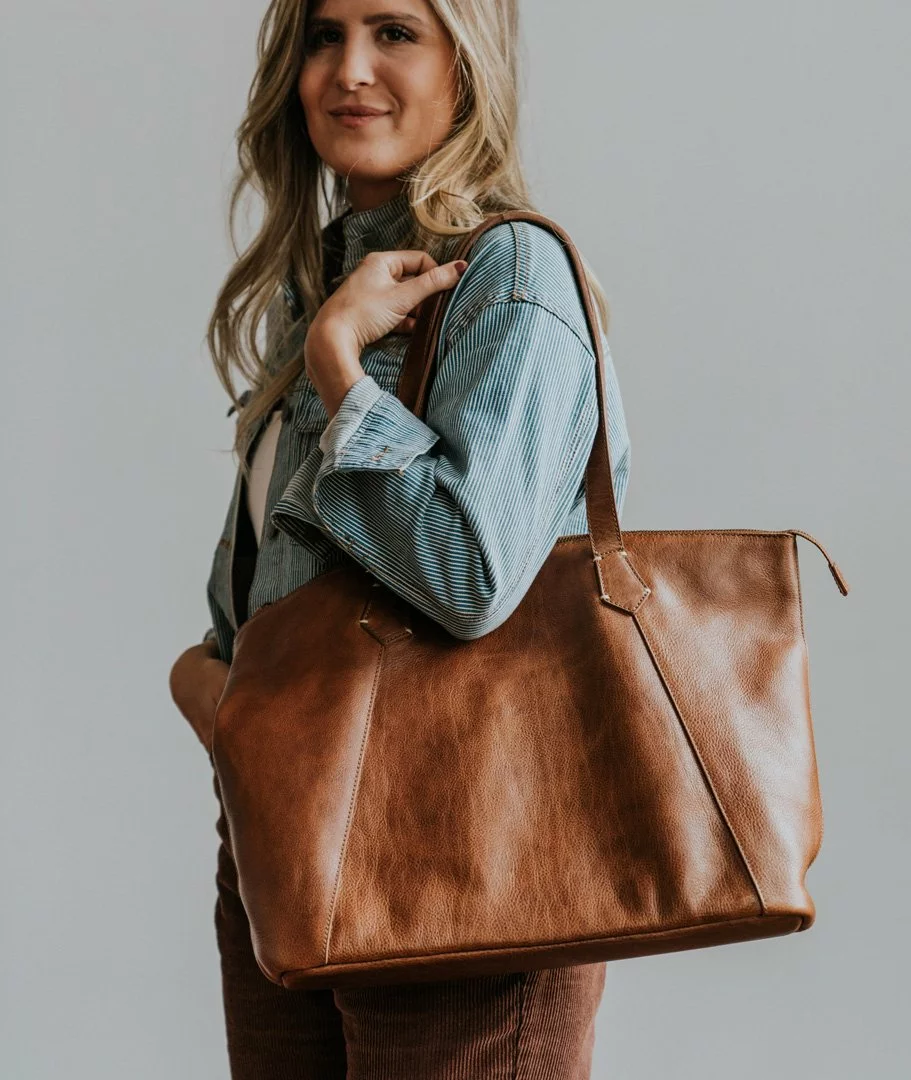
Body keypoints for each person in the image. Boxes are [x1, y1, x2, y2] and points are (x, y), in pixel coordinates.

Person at [169, 0, 631, 1076]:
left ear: (467, 67)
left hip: (460, 850)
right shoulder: (332, 286)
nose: (351, 70)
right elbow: (273, 595)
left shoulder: (510, 279)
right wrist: (210, 688)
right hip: (291, 843)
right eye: (324, 36)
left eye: (396, 32)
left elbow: (467, 576)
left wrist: (339, 372)